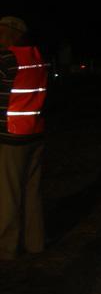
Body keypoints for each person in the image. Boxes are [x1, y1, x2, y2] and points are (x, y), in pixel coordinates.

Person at [0, 16, 48, 260]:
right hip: (35, 131)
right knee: (31, 191)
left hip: (12, 135)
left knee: (8, 194)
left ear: (10, 34)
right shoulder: (37, 57)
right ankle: (35, 243)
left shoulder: (6, 59)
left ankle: (6, 249)